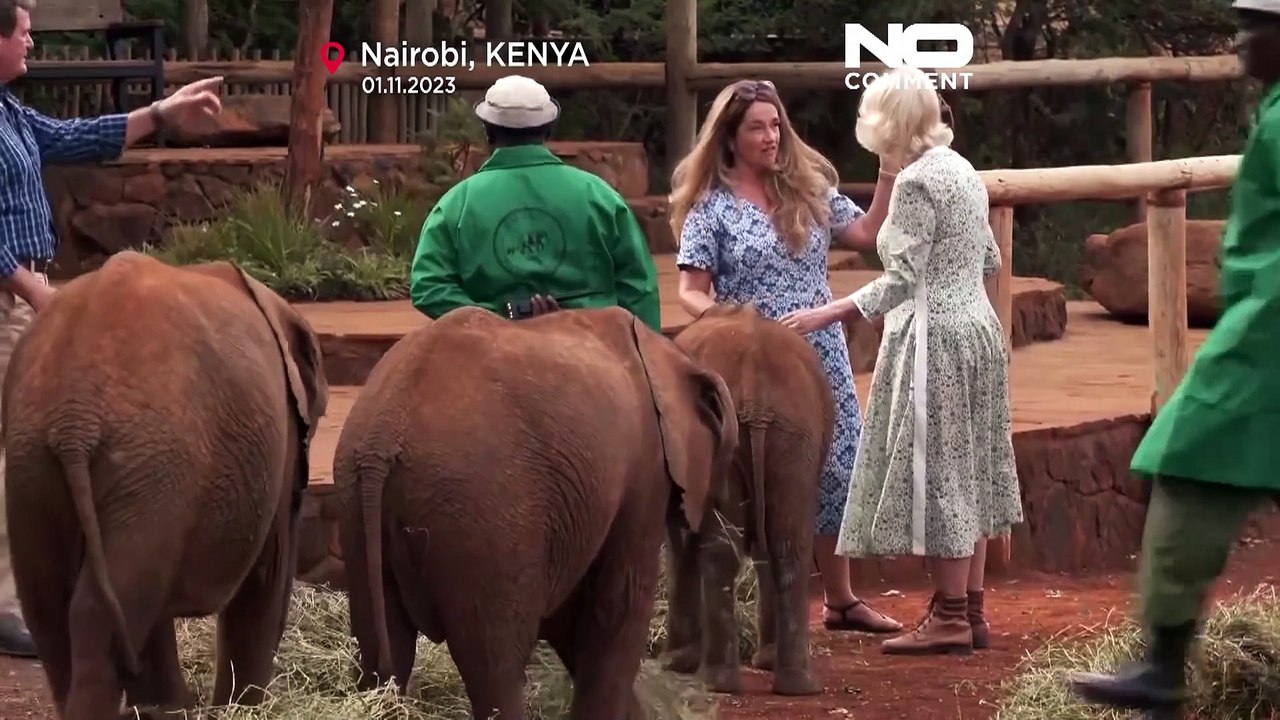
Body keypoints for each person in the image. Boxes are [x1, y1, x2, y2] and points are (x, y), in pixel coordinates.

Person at [1068, 1, 1280, 712]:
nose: (1242, 41)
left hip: (1265, 347)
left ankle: (1162, 664)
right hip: (1256, 336)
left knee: (1186, 466)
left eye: (1258, 27)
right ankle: (1161, 660)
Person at [0, 0, 223, 658]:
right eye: (23, 30)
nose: (32, 38)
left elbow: (73, 139)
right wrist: (31, 288)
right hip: (9, 300)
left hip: (23, 298)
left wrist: (160, 115)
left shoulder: (10, 111)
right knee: (12, 451)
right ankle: (8, 602)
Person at [779, 66, 1022, 655]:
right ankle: (969, 609)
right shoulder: (962, 169)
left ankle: (949, 618)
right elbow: (987, 257)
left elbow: (901, 279)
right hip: (978, 329)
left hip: (934, 335)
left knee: (940, 469)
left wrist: (825, 313)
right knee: (972, 465)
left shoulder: (916, 183)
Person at [671, 78, 902, 634]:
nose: (771, 136)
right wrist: (729, 322)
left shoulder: (809, 188)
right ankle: (754, 611)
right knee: (753, 474)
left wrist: (889, 166)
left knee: (839, 469)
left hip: (819, 349)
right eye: (757, 127)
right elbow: (689, 290)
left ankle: (841, 600)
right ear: (730, 137)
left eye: (776, 125)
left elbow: (868, 232)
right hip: (748, 357)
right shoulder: (712, 207)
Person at [409, 75, 661, 330]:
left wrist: (496, 317)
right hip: (594, 342)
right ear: (549, 128)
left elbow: (428, 286)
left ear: (487, 131)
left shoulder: (456, 204)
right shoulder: (600, 196)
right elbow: (639, 286)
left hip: (489, 348)